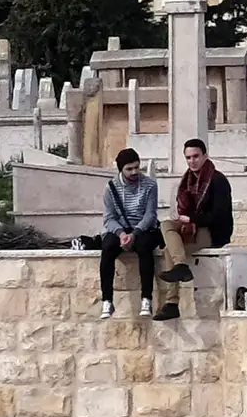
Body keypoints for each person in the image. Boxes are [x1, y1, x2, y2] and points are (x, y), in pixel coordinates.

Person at [165, 135, 237, 317]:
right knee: (166, 225)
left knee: (169, 251)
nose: (192, 161)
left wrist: (192, 219)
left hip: (212, 232)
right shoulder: (186, 181)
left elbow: (218, 216)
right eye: (188, 158)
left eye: (196, 156)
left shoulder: (218, 180)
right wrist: (182, 218)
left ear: (205, 156)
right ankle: (181, 267)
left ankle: (171, 303)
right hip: (191, 227)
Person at [98, 146, 163, 318]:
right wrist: (121, 234)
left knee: (144, 248)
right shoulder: (110, 188)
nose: (134, 172)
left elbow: (150, 215)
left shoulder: (150, 185)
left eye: (137, 167)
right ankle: (107, 300)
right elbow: (108, 218)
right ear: (121, 169)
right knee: (107, 248)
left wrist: (135, 233)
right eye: (129, 169)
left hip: (143, 228)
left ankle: (146, 298)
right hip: (120, 229)